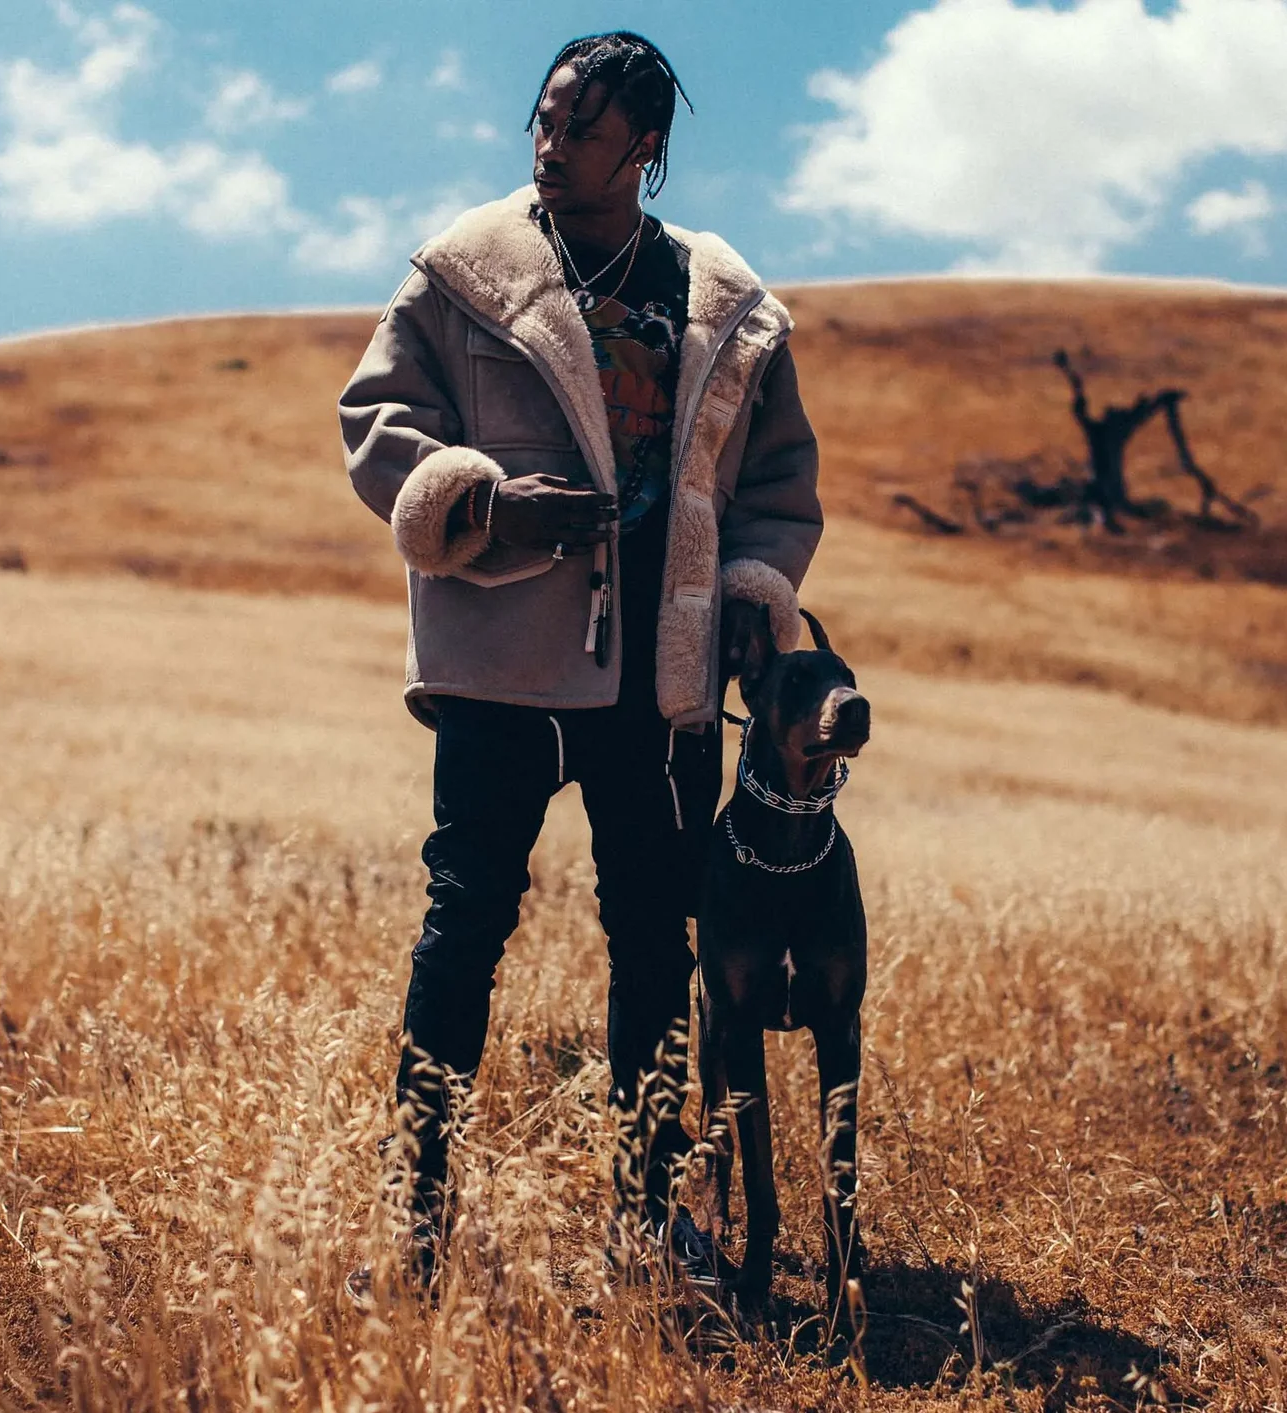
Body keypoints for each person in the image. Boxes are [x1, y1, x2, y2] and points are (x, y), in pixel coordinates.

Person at [337, 30, 821, 1282]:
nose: (551, 146)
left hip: (661, 679)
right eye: (545, 121)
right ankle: (415, 1211)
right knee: (462, 928)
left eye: (584, 130)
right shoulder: (464, 273)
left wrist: (751, 596)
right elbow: (376, 423)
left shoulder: (724, 303)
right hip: (499, 662)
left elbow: (778, 485)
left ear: (643, 147)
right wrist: (486, 504)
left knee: (657, 944)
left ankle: (647, 1219)